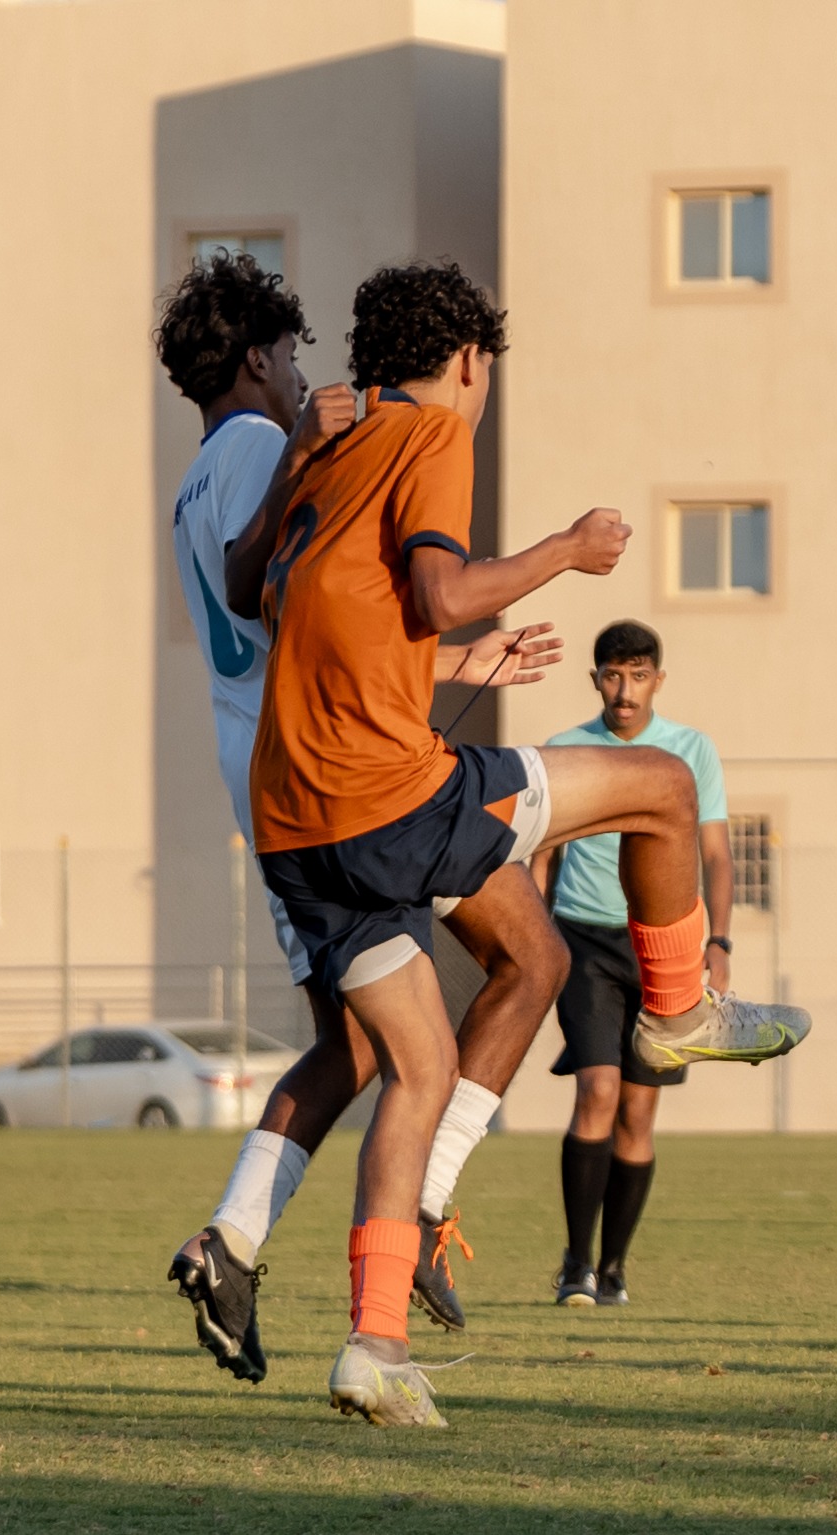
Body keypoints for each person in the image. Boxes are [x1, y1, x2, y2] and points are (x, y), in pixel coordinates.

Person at [239, 260, 810, 1427]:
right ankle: (680, 1007)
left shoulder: (327, 450)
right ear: (469, 361)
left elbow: (264, 593)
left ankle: (374, 1345)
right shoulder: (429, 432)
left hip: (293, 822)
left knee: (418, 1068)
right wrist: (564, 547)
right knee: (656, 784)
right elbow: (445, 591)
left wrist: (300, 450)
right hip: (386, 797)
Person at [152, 251, 570, 1388]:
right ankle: (409, 1215)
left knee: (360, 1040)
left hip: (294, 764)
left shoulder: (197, 470)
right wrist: (301, 452)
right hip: (326, 776)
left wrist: (459, 660)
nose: (304, 378)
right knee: (517, 962)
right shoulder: (256, 448)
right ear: (254, 358)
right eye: (288, 357)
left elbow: (318, 609)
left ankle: (231, 1240)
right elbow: (288, 596)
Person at [530, 621, 733, 1307]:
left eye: (638, 676)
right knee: (597, 1091)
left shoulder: (689, 751)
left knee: (638, 1113)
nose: (625, 690)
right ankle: (575, 1263)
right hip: (582, 941)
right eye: (613, 676)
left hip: (662, 946)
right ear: (595, 680)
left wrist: (720, 942)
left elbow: (714, 856)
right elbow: (539, 857)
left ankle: (615, 1265)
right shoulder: (564, 751)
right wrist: (530, 936)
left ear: (658, 680)